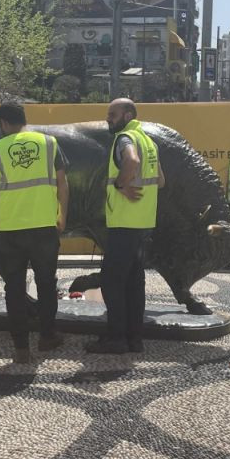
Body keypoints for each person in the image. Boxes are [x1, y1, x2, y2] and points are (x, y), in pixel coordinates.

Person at [0, 100, 68, 364]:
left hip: (11, 228)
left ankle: (21, 347)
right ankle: (47, 336)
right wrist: (61, 216)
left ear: (3, 123)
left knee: (15, 287)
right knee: (46, 283)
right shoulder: (49, 143)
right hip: (44, 226)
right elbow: (63, 184)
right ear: (23, 119)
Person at [87, 98, 164, 355]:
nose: (108, 118)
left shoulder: (126, 139)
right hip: (143, 224)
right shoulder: (149, 142)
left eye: (113, 113)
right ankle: (135, 339)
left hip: (124, 222)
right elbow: (161, 180)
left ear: (128, 114)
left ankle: (116, 338)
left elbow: (131, 162)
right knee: (134, 283)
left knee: (112, 281)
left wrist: (121, 185)